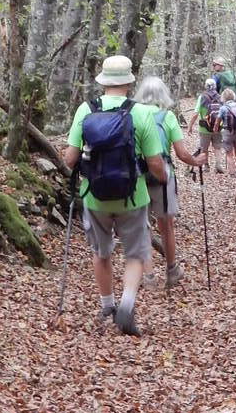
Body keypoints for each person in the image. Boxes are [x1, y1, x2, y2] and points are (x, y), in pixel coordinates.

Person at [63, 55, 167, 337]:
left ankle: (107, 305)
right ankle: (127, 304)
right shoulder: (141, 113)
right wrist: (163, 178)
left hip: (94, 196)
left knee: (101, 252)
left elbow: (69, 159)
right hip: (133, 196)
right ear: (129, 82)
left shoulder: (85, 110)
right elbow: (155, 163)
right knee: (135, 252)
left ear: (103, 81)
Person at [133, 75, 207, 290]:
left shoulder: (132, 115)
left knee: (142, 226)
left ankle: (148, 276)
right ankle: (172, 270)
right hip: (163, 175)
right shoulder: (168, 117)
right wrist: (196, 161)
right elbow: (181, 153)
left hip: (138, 174)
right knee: (167, 225)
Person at [187, 78, 225, 172]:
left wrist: (190, 126)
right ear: (215, 86)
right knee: (217, 147)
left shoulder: (202, 97)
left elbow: (195, 114)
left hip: (204, 127)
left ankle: (206, 166)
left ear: (206, 86)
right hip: (218, 127)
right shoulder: (220, 97)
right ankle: (218, 165)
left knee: (204, 148)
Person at [218, 88, 236, 175]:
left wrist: (216, 129)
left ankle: (231, 172)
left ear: (223, 97)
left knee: (229, 153)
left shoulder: (223, 108)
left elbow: (218, 120)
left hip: (227, 132)